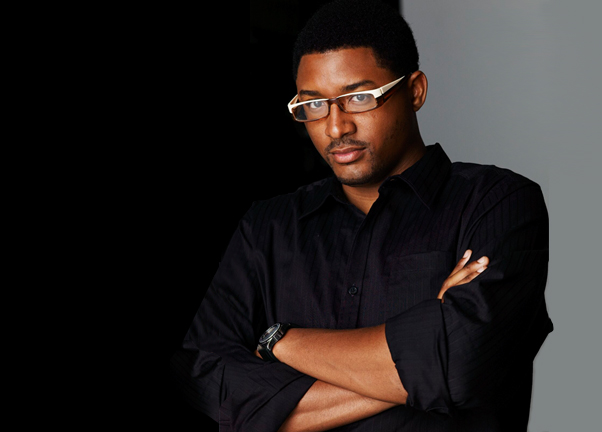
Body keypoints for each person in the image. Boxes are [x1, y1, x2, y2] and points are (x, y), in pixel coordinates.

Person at [170, 1, 552, 431]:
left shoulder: (497, 203)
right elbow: (211, 385)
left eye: (358, 98)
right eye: (313, 105)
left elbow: (463, 365)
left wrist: (280, 342)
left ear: (415, 91)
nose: (336, 128)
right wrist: (422, 359)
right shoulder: (266, 229)